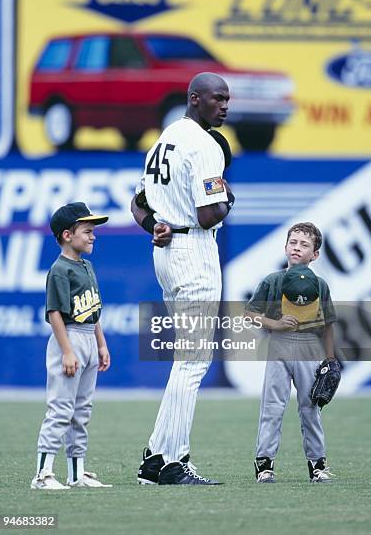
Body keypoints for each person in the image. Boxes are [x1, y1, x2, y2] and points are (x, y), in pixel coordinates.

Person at [131, 72, 235, 485]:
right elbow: (210, 214)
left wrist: (154, 222)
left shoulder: (165, 137)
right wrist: (228, 196)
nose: (225, 105)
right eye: (218, 98)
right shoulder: (205, 145)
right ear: (196, 99)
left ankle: (157, 457)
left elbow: (137, 203)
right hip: (194, 251)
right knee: (192, 362)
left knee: (185, 361)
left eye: (227, 99)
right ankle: (172, 463)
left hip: (166, 250)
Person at [245, 222, 337, 484]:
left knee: (311, 406)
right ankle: (264, 464)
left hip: (309, 345)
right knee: (272, 406)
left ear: (315, 254)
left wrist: (330, 360)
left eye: (305, 244)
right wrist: (274, 324)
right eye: (293, 242)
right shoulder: (272, 281)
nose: (297, 247)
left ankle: (318, 464)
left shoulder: (320, 285)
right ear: (285, 246)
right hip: (279, 344)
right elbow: (250, 314)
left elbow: (328, 324)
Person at [31, 202, 112, 490]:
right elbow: (55, 313)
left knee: (82, 410)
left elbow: (94, 310)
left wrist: (101, 345)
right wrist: (67, 350)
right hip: (70, 338)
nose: (93, 236)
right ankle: (42, 475)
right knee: (61, 408)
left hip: (89, 335)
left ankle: (76, 474)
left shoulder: (86, 266)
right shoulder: (60, 269)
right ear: (67, 235)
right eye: (87, 231)